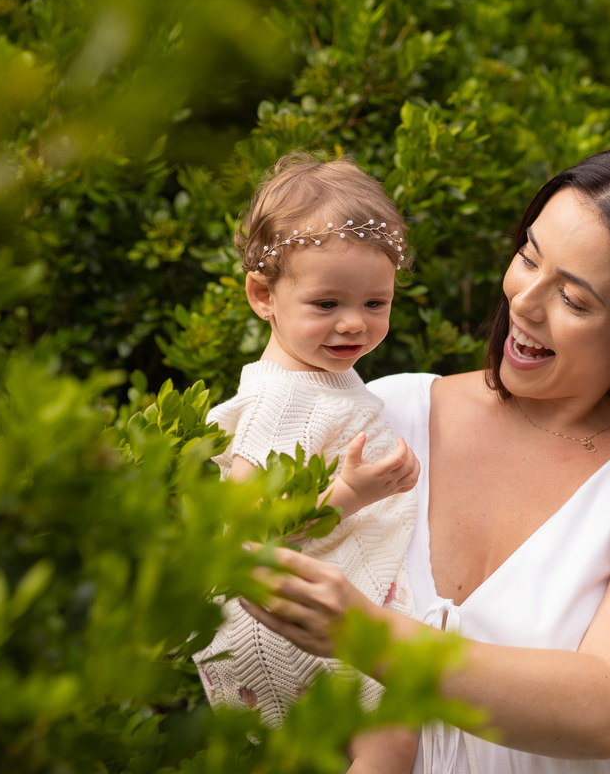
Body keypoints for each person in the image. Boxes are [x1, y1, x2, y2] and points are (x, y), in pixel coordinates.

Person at [244, 145, 610, 772]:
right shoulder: (379, 416)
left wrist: (371, 638)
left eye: (573, 300)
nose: (523, 301)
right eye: (528, 258)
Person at [194, 152, 421, 773]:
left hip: (306, 609)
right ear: (263, 295)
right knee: (392, 735)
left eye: (376, 303)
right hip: (279, 622)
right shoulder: (280, 401)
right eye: (327, 305)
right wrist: (351, 491)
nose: (354, 323)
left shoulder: (318, 382)